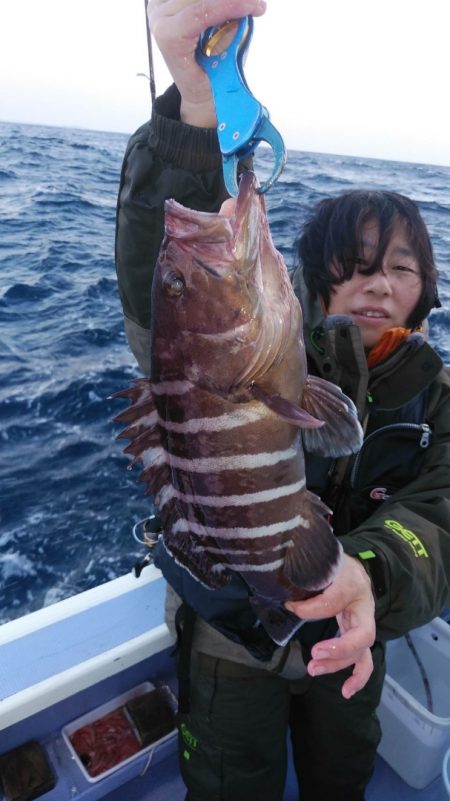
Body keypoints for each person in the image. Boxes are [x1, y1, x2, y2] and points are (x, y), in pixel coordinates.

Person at [114, 1, 450, 799]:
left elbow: (444, 509)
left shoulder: (435, 398)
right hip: (232, 638)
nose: (376, 281)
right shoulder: (270, 353)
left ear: (426, 289)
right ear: (313, 282)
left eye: (399, 267)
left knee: (342, 773)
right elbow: (152, 292)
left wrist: (367, 571)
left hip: (352, 634)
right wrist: (200, 101)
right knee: (232, 780)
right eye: (353, 263)